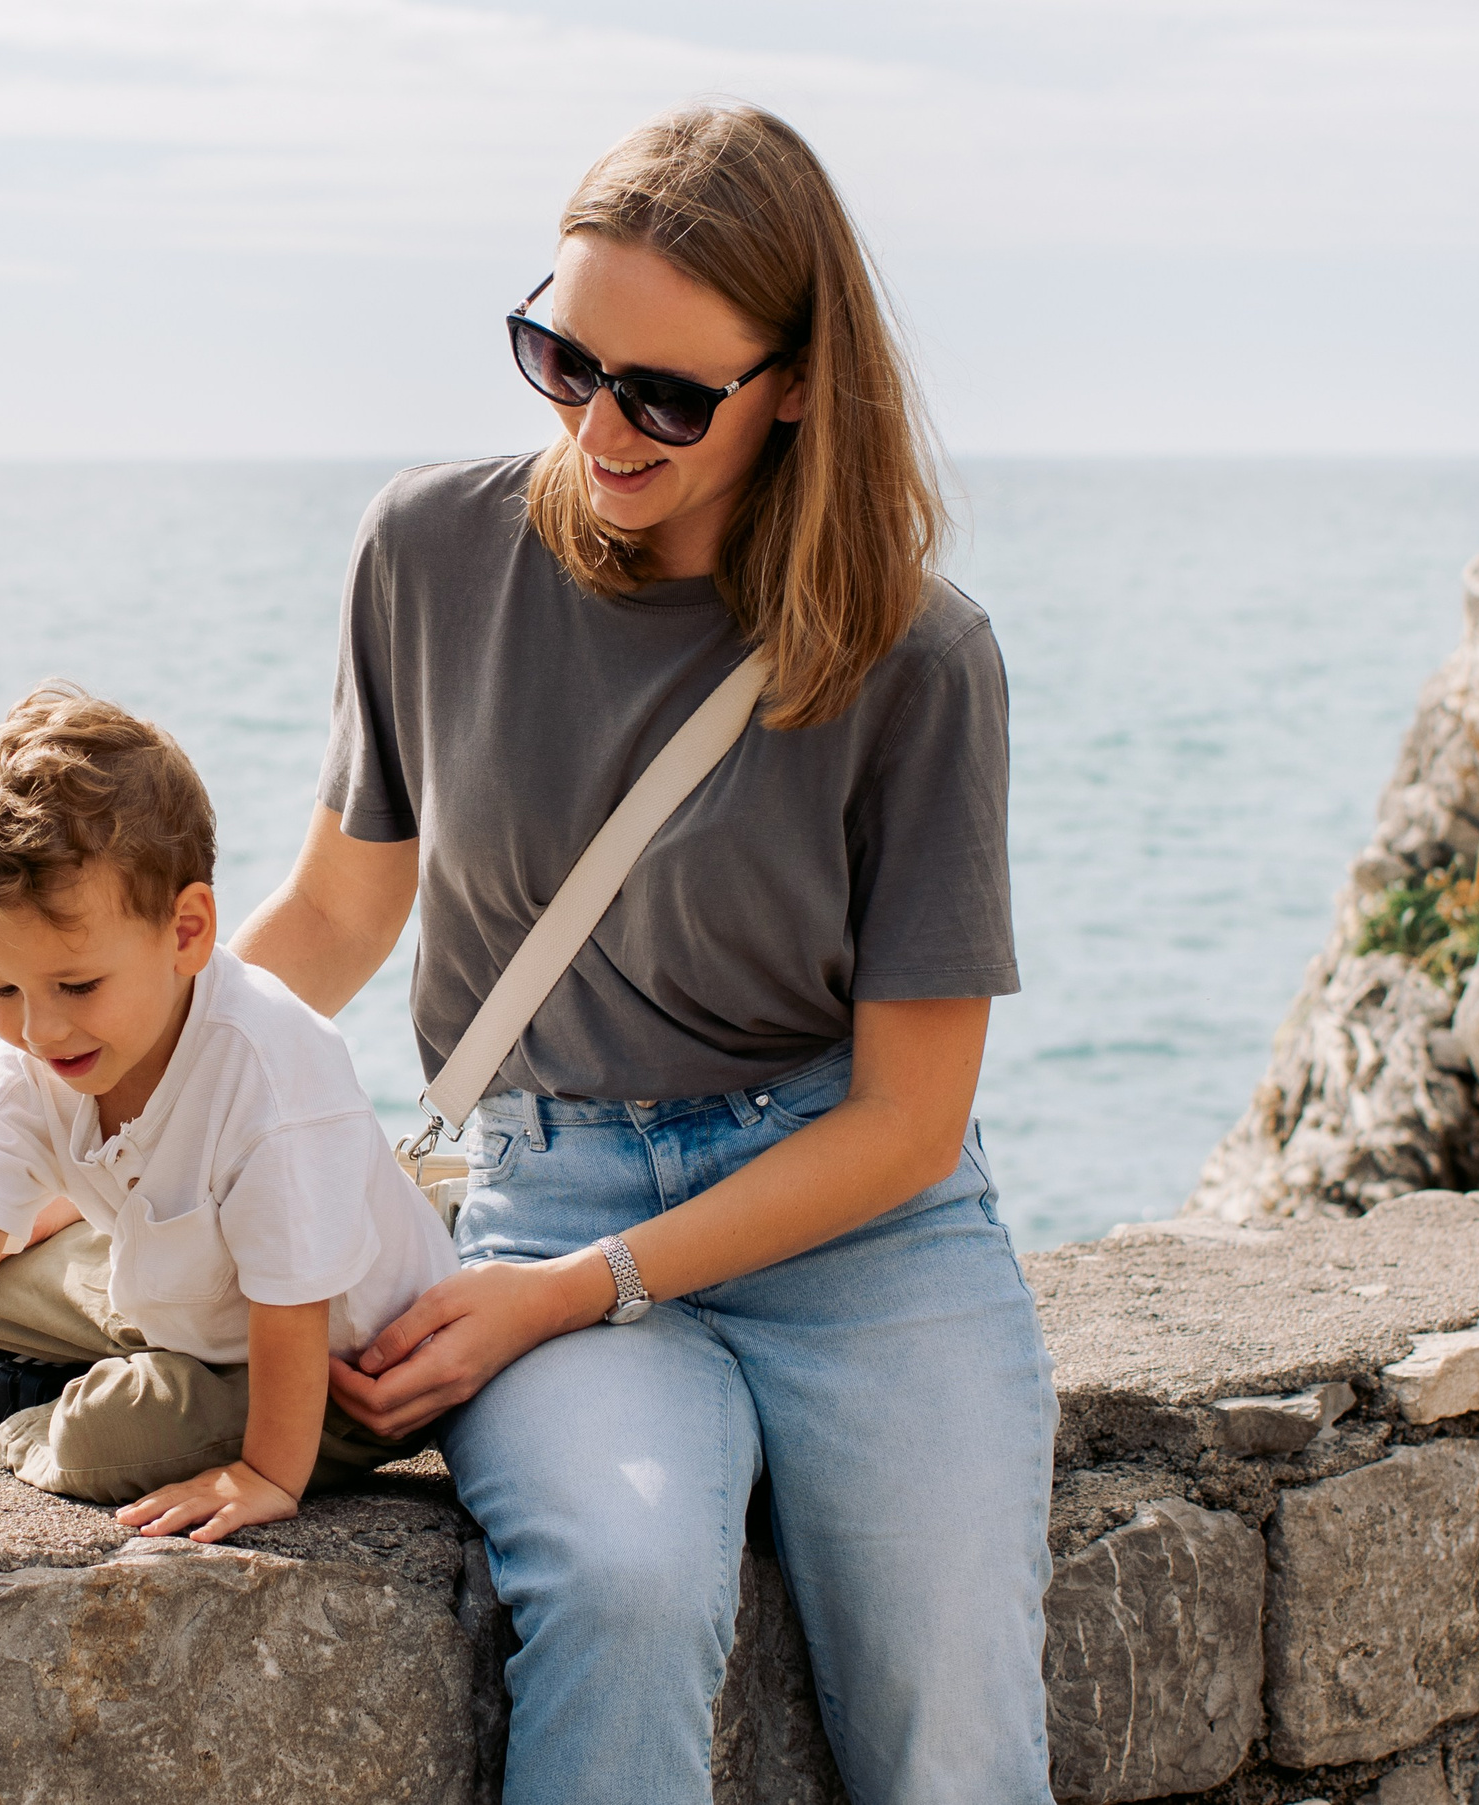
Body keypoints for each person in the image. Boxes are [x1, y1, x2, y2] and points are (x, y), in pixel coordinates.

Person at [231, 104, 1056, 1803]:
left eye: (667, 395)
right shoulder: (431, 554)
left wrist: (579, 1292)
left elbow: (907, 1125)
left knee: (955, 1732)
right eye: (562, 357)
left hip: (859, 1235)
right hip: (556, 1181)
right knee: (622, 1584)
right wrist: (85, 1106)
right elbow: (331, 920)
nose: (601, 426)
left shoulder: (921, 662)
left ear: (800, 383)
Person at [0, 683, 459, 1543]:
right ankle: (47, 1364)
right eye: (2, 988)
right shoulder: (46, 1049)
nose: (39, 1028)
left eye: (75, 985)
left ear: (186, 932)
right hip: (181, 1288)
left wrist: (265, 1474)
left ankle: (36, 1411)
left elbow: (294, 1307)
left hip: (329, 1367)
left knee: (109, 1442)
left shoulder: (268, 1073)